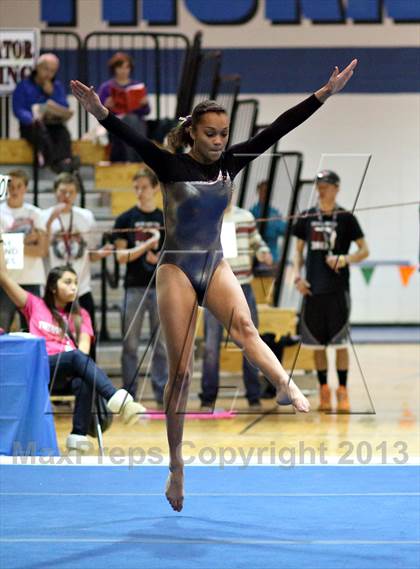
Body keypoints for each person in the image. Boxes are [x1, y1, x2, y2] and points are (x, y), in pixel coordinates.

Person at [71, 57, 357, 512]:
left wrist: (323, 94)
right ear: (192, 134)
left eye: (224, 134)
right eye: (211, 134)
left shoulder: (231, 163)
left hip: (215, 263)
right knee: (181, 373)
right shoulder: (169, 165)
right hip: (177, 269)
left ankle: (283, 382)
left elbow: (278, 129)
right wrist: (98, 110)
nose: (220, 141)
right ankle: (177, 465)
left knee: (245, 327)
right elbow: (128, 135)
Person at [0, 238, 146, 454]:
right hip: (40, 368)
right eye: (67, 282)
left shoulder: (81, 315)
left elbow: (84, 351)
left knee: (85, 377)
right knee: (77, 359)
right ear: (52, 287)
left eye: (75, 283)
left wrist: (75, 363)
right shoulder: (34, 304)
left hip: (66, 372)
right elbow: (3, 277)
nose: (73, 287)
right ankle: (118, 400)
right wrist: (2, 242)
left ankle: (77, 437)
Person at [292, 169, 369, 413]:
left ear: (336, 187)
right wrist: (297, 277)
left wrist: (344, 259)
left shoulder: (346, 217)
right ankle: (324, 388)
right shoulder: (306, 216)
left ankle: (342, 389)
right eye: (318, 184)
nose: (321, 188)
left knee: (340, 342)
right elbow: (298, 251)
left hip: (338, 290)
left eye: (326, 184)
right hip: (313, 289)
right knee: (317, 344)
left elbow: (364, 250)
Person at [200, 202, 272, 410]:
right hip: (215, 288)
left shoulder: (246, 217)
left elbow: (257, 243)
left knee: (250, 341)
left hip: (244, 287)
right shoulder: (207, 216)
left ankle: (253, 395)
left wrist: (263, 253)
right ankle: (208, 397)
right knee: (211, 347)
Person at [42, 173, 114, 360]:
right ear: (55, 192)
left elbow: (89, 253)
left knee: (88, 337)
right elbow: (40, 251)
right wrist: (50, 221)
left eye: (71, 192)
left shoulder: (86, 217)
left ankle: (90, 382)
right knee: (55, 339)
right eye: (62, 191)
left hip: (81, 288)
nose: (66, 196)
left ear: (76, 194)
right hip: (54, 292)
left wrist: (102, 253)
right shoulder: (42, 216)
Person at [113, 168, 168, 406]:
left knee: (162, 345)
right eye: (136, 187)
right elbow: (121, 256)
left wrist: (161, 258)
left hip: (161, 288)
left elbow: (175, 255)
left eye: (144, 187)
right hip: (134, 288)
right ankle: (130, 395)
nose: (139, 192)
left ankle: (162, 393)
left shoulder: (166, 219)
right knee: (130, 345)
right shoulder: (125, 219)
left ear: (155, 188)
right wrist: (147, 247)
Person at [0, 170, 48, 331]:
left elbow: (41, 250)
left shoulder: (36, 213)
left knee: (33, 331)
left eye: (19, 186)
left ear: (25, 188)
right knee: (2, 331)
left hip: (32, 279)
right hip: (5, 280)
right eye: (11, 186)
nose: (14, 190)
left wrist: (9, 242)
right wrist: (26, 240)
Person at [12, 53, 76, 173]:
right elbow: (18, 109)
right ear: (37, 67)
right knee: (41, 133)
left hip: (53, 123)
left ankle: (56, 161)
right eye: (46, 69)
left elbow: (64, 107)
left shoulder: (56, 86)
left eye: (52, 71)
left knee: (63, 133)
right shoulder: (23, 86)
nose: (48, 74)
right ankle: (60, 164)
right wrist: (31, 118)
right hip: (32, 125)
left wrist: (52, 94)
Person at [98, 52, 150, 162]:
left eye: (127, 67)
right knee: (129, 121)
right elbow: (98, 112)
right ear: (114, 69)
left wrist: (144, 104)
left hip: (135, 122)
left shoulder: (137, 86)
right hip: (115, 123)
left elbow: (146, 111)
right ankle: (135, 161)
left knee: (133, 120)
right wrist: (106, 106)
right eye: (120, 67)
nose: (124, 71)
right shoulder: (106, 88)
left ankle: (133, 160)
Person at [250, 180, 287, 264]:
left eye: (268, 191)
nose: (265, 194)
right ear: (258, 192)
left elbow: (284, 230)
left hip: (273, 257)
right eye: (263, 191)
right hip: (257, 259)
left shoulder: (274, 212)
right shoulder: (252, 212)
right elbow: (257, 233)